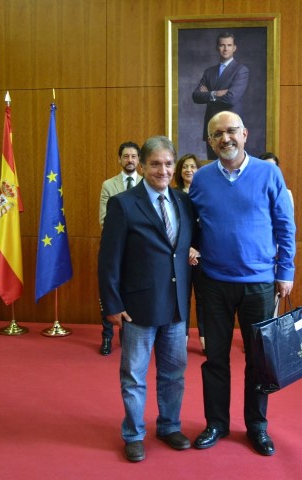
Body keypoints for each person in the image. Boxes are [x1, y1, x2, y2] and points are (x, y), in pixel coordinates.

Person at [189, 111, 296, 457]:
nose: (225, 138)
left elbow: (285, 225)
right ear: (209, 141)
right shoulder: (202, 179)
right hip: (213, 283)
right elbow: (192, 225)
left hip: (260, 284)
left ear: (245, 133)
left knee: (258, 360)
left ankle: (256, 425)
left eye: (231, 131)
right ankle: (216, 422)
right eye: (217, 134)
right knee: (215, 358)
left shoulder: (269, 173)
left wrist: (286, 271)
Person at [98, 136, 195, 462]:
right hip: (138, 307)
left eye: (168, 163)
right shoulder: (124, 204)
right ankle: (134, 433)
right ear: (141, 166)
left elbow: (181, 249)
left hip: (177, 306)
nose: (163, 170)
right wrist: (111, 304)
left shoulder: (183, 201)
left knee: (174, 373)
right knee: (134, 376)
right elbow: (108, 259)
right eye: (155, 164)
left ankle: (169, 426)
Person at [98, 141, 142, 356]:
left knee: (132, 294)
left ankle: (128, 337)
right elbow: (104, 220)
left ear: (139, 160)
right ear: (119, 159)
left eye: (134, 156)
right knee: (109, 292)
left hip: (138, 253)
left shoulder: (146, 183)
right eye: (126, 156)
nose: (130, 160)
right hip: (114, 250)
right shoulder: (109, 185)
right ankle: (107, 337)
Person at [192, 32, 249, 160]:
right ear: (217, 48)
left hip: (231, 127)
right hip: (212, 126)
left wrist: (208, 94)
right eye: (222, 45)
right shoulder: (209, 71)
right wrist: (216, 93)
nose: (225, 48)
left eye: (229, 45)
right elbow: (196, 96)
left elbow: (231, 98)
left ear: (234, 48)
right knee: (212, 165)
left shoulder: (241, 70)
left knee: (231, 165)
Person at [173, 154, 205, 353]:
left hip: (203, 255)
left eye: (193, 166)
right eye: (185, 166)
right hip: (180, 255)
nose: (188, 170)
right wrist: (187, 249)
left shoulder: (206, 194)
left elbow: (212, 226)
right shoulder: (173, 195)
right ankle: (180, 338)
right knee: (181, 298)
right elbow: (171, 228)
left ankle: (205, 339)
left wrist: (198, 250)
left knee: (203, 299)